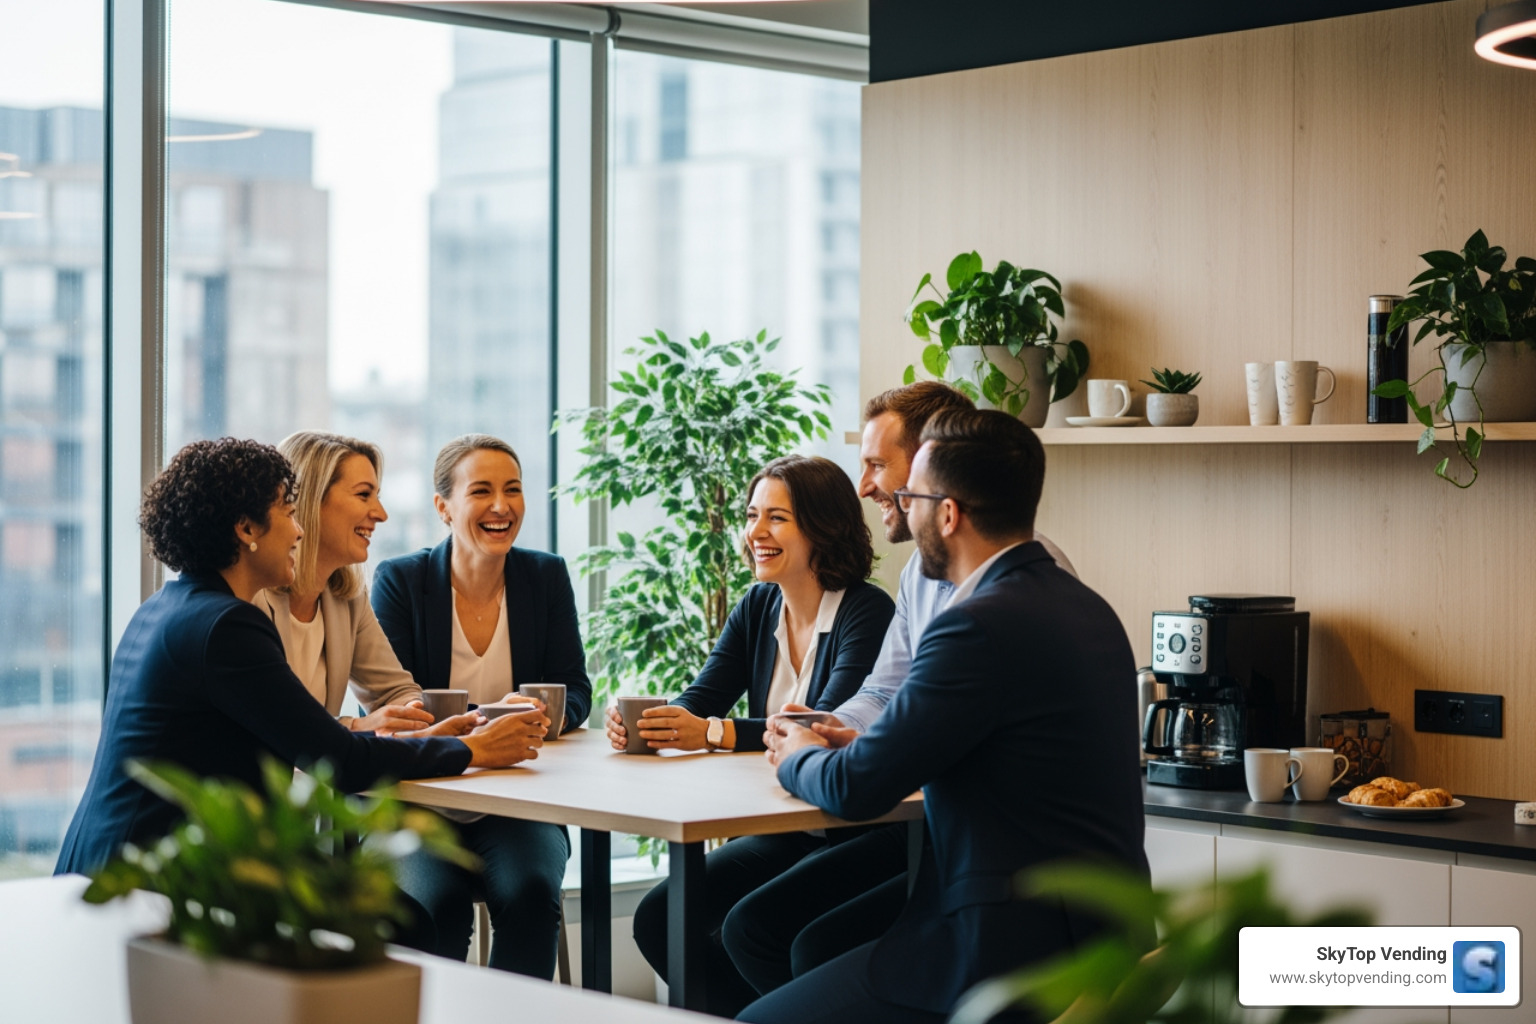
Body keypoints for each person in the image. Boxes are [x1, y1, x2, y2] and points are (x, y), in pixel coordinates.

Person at [738, 409, 1150, 1024]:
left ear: (949, 513)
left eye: (911, 496)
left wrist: (799, 755)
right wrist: (863, 736)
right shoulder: (1091, 609)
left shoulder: (974, 624)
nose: (900, 508)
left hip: (1004, 953)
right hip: (1105, 935)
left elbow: (856, 788)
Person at [55, 437, 548, 882]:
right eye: (289, 513)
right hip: (150, 877)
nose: (297, 531)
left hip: (116, 861)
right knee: (399, 925)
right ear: (247, 528)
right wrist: (476, 750)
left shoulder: (169, 606)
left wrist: (421, 736)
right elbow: (341, 760)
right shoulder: (229, 626)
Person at [603, 454, 896, 1017]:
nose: (755, 533)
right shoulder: (758, 604)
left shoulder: (867, 610)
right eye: (752, 515)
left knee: (750, 927)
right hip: (786, 827)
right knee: (660, 918)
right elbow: (700, 700)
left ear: (822, 526)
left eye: (777, 518)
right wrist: (651, 723)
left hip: (853, 832)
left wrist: (710, 731)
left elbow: (825, 726)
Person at [371, 433, 592, 978]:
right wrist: (471, 734)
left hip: (517, 801)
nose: (502, 506)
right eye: (483, 491)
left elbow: (576, 689)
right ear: (444, 506)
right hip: (420, 801)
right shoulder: (401, 580)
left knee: (532, 891)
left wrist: (542, 713)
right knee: (434, 905)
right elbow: (391, 705)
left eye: (513, 490)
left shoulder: (544, 576)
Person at [253, 430, 458, 735]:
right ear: (309, 498)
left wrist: (409, 715)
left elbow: (394, 690)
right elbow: (264, 721)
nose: (381, 514)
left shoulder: (346, 597)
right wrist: (357, 727)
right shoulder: (249, 597)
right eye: (364, 494)